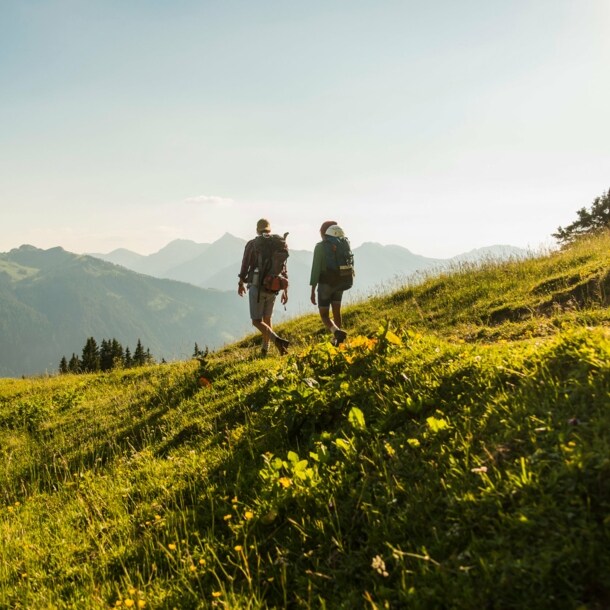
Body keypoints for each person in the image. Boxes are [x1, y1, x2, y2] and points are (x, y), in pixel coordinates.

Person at [238, 218, 290, 356]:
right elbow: (284, 268)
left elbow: (245, 264)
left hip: (257, 286)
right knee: (267, 318)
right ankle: (265, 350)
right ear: (269, 229)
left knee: (256, 321)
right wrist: (285, 290)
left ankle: (277, 340)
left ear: (257, 229)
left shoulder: (253, 244)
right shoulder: (278, 244)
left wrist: (240, 283)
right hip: (273, 287)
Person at [310, 220, 351, 346]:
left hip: (326, 283)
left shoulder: (320, 247)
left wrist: (312, 290)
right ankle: (338, 341)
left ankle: (336, 332)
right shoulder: (344, 243)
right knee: (336, 312)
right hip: (341, 281)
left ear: (324, 232)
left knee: (324, 315)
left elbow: (316, 269)